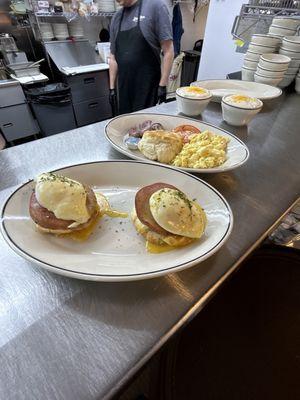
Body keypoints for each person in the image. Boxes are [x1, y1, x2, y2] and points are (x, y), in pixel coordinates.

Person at [109, 0, 174, 115]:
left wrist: (162, 86)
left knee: (147, 129)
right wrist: (112, 88)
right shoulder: (116, 18)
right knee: (127, 128)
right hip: (124, 89)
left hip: (148, 89)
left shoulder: (155, 6)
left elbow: (168, 50)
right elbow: (113, 57)